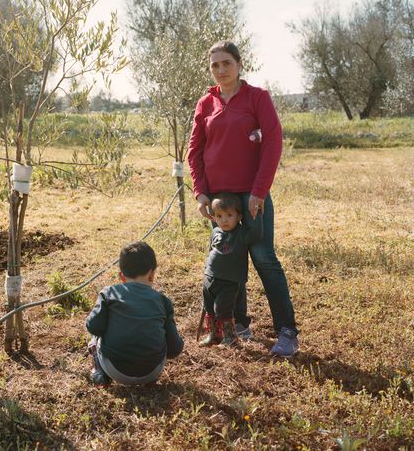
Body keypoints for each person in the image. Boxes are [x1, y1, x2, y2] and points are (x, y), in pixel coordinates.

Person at [188, 40, 299, 357]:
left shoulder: (257, 98)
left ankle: (287, 332)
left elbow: (273, 143)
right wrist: (200, 194)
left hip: (252, 196)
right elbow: (194, 153)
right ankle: (237, 324)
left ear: (239, 64)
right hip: (220, 204)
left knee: (265, 260)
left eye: (226, 63)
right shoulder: (205, 104)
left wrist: (259, 192)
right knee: (226, 263)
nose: (221, 70)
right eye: (215, 65)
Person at [85, 242, 184, 386]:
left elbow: (93, 327)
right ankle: (148, 380)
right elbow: (174, 350)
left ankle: (100, 372)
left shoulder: (108, 294)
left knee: (95, 334)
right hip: (152, 370)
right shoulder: (163, 301)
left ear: (121, 276)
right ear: (152, 274)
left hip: (115, 369)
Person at [199, 192, 263, 347]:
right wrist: (206, 270)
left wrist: (257, 212)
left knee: (223, 309)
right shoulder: (215, 231)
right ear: (214, 217)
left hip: (229, 281)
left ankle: (231, 337)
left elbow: (257, 233)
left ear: (239, 216)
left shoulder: (241, 234)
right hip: (210, 278)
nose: (224, 220)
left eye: (229, 215)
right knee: (209, 308)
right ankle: (215, 335)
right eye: (219, 216)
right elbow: (211, 251)